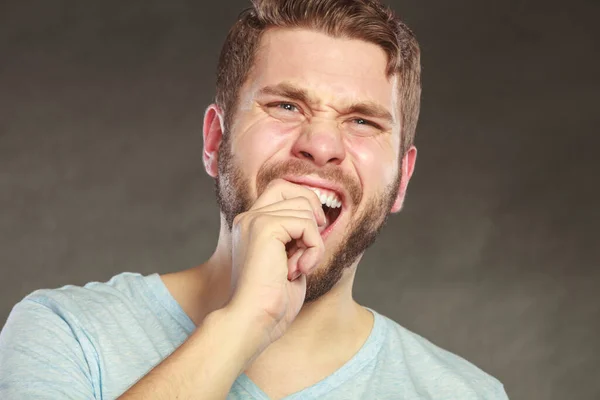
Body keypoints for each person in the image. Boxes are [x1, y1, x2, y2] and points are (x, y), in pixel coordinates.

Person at [0, 0, 509, 399]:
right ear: (215, 141)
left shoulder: (468, 395)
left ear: (401, 179)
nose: (323, 145)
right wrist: (248, 320)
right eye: (286, 105)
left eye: (362, 121)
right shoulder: (64, 334)